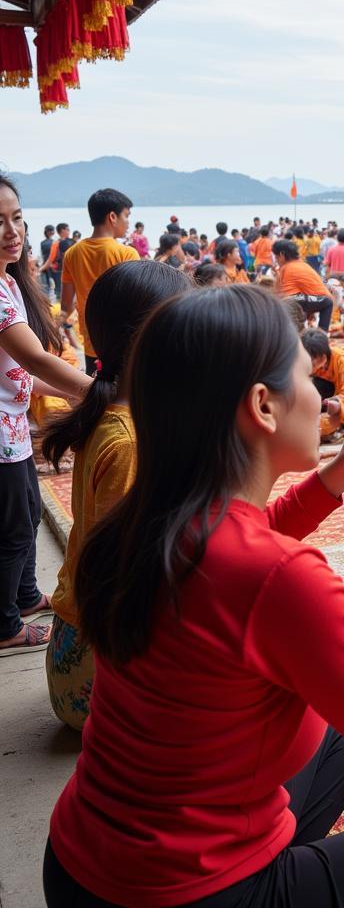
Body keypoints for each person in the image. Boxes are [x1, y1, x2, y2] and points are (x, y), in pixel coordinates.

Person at [42, 285, 344, 907]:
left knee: (339, 731)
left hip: (80, 866)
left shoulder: (145, 519)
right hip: (186, 894)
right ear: (263, 405)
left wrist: (332, 479)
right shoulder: (279, 576)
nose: (325, 397)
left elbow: (236, 555)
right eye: (310, 378)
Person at [41, 261, 191, 727]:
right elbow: (124, 575)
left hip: (76, 652)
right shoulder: (130, 440)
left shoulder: (106, 410)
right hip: (97, 680)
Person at [0, 175, 93, 656]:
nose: (11, 231)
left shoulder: (9, 280)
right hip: (1, 437)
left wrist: (73, 392)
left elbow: (20, 372)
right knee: (15, 526)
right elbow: (34, 358)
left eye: (16, 218)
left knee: (28, 514)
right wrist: (97, 391)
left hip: (13, 427)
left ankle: (25, 594)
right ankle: (6, 624)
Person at [60, 188, 140, 375]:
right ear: (112, 216)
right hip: (122, 341)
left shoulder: (72, 253)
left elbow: (66, 305)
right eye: (126, 216)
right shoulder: (126, 253)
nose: (128, 223)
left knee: (95, 391)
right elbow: (136, 301)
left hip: (91, 341)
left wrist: (57, 326)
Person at [300, 327, 344, 437]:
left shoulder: (341, 360)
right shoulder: (310, 363)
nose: (308, 364)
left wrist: (334, 404)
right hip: (329, 391)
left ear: (323, 358)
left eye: (312, 361)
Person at [273, 238, 333, 331]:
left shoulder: (287, 268)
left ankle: (320, 335)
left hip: (318, 299)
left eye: (276, 257)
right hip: (320, 299)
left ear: (281, 255)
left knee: (287, 302)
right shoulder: (303, 264)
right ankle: (322, 334)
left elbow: (288, 299)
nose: (276, 261)